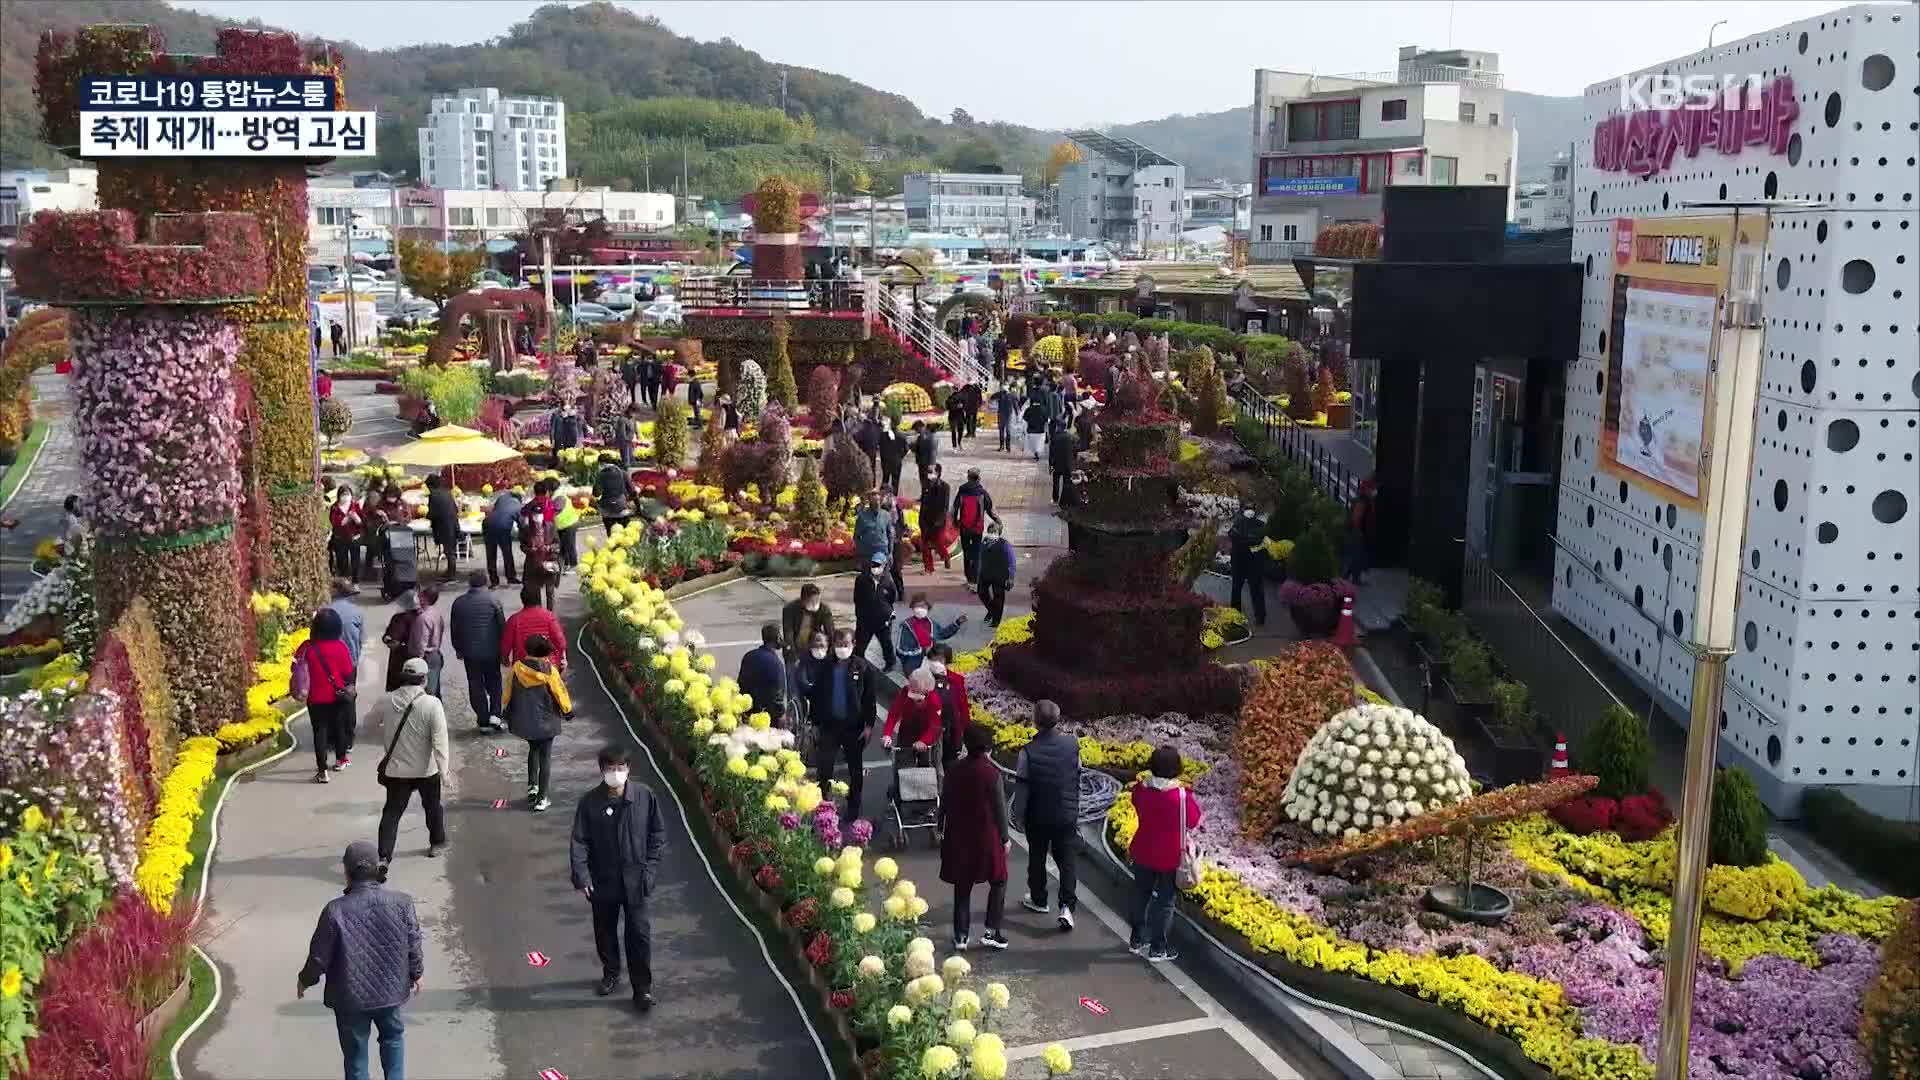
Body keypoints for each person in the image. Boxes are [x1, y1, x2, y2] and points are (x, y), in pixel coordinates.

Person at [297, 840, 422, 1080]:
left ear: (346, 873)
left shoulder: (334, 911)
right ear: (378, 869)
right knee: (393, 1039)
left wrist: (305, 980)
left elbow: (319, 957)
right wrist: (417, 973)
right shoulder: (402, 903)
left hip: (349, 999)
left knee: (355, 1060)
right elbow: (413, 942)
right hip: (390, 993)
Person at [569, 745, 668, 1012]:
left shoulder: (644, 797)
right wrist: (582, 876)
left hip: (636, 880)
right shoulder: (590, 803)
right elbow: (580, 842)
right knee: (605, 930)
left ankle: (642, 990)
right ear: (602, 771)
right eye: (610, 769)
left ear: (629, 770)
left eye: (620, 768)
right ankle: (611, 972)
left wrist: (650, 871)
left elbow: (657, 836)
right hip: (603, 880)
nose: (616, 774)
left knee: (639, 935)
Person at [940, 724, 1010, 952]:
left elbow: (945, 801)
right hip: (986, 838)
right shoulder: (992, 774)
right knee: (998, 880)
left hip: (959, 836)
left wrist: (941, 827)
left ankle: (961, 936)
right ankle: (992, 931)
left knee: (962, 886)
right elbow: (1000, 810)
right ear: (988, 749)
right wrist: (1005, 837)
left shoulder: (953, 770)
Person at [1127, 744, 1201, 962]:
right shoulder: (1180, 796)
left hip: (1142, 850)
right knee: (1165, 902)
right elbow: (1194, 820)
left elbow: (1136, 804)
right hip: (1170, 857)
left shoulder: (1141, 789)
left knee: (1141, 894)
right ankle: (1158, 948)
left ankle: (1137, 939)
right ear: (1176, 767)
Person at [376, 657, 450, 865]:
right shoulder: (432, 704)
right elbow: (440, 741)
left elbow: (371, 724)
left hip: (397, 770)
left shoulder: (386, 700)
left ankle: (383, 855)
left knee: (391, 812)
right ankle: (437, 842)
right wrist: (444, 771)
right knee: (432, 807)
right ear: (424, 679)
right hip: (426, 770)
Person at [1015, 699, 1081, 932]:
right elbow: (1076, 775)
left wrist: (1018, 816)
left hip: (1038, 815)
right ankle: (1066, 907)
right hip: (1066, 813)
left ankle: (1039, 898)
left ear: (1035, 721)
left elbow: (1022, 787)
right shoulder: (1073, 745)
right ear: (1058, 719)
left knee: (1037, 856)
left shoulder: (1027, 752)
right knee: (1067, 860)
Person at [798, 628, 877, 820]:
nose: (842, 649)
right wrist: (815, 724)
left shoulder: (863, 668)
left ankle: (854, 806)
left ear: (853, 645)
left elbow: (869, 699)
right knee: (825, 767)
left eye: (846, 645)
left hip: (854, 727)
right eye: (839, 645)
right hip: (829, 726)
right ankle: (825, 803)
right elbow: (817, 696)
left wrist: (869, 726)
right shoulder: (825, 666)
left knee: (854, 769)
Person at [505, 633, 573, 810]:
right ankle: (542, 798)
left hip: (525, 720)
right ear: (545, 653)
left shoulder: (517, 668)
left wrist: (505, 709)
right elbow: (560, 692)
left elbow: (507, 691)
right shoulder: (550, 671)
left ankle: (532, 787)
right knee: (546, 756)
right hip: (547, 721)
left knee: (533, 749)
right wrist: (567, 710)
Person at [297, 607, 358, 784]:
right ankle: (341, 759)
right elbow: (348, 671)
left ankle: (322, 771)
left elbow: (296, 666)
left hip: (315, 698)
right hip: (337, 695)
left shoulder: (307, 647)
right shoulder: (340, 647)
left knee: (319, 732)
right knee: (339, 727)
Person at [450, 571, 507, 730]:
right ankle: (495, 714)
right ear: (486, 583)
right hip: (491, 651)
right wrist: (503, 650)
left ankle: (483, 719)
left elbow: (455, 629)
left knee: (475, 685)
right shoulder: (493, 601)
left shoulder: (459, 603)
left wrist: (458, 648)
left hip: (470, 652)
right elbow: (502, 626)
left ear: (470, 584)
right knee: (495, 682)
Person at [880, 666, 942, 801]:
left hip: (926, 738)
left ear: (926, 690)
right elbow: (894, 713)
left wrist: (924, 741)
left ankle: (927, 799)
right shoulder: (905, 692)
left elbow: (935, 726)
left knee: (927, 768)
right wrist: (887, 734)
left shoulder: (934, 700)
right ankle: (900, 795)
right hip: (907, 734)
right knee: (901, 766)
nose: (911, 693)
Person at [951, 468, 1002, 591]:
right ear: (978, 479)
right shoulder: (982, 493)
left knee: (967, 554)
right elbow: (990, 510)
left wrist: (955, 522)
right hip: (977, 529)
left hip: (964, 528)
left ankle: (969, 580)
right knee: (977, 554)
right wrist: (998, 521)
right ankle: (976, 581)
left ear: (968, 478)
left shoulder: (962, 491)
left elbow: (954, 509)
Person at [502, 583, 568, 673]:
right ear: (539, 599)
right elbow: (560, 641)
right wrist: (563, 658)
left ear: (523, 600)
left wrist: (505, 660)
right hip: (547, 666)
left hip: (522, 668)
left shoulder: (514, 620)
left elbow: (506, 645)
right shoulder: (549, 617)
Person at [895, 593, 964, 678]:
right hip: (914, 662)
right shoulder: (906, 625)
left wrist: (957, 623)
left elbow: (942, 634)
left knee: (944, 665)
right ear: (912, 608)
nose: (920, 609)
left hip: (930, 657)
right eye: (917, 606)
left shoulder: (931, 623)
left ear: (928, 608)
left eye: (923, 606)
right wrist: (922, 651)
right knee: (921, 680)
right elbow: (900, 650)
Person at [925, 643, 971, 767]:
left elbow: (963, 707)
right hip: (928, 730)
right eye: (934, 659)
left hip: (950, 730)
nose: (937, 663)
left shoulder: (956, 680)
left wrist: (966, 732)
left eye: (940, 660)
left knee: (948, 764)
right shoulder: (923, 678)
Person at [852, 552, 899, 671]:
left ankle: (890, 663)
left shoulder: (888, 581)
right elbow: (857, 598)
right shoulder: (861, 580)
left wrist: (885, 611)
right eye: (874, 564)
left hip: (883, 620)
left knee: (886, 643)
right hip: (865, 620)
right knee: (860, 646)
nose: (876, 567)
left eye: (879, 565)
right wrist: (861, 614)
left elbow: (892, 598)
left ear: (884, 566)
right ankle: (857, 665)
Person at [736, 623, 787, 727]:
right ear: (777, 639)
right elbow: (778, 695)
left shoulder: (749, 656)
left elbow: (741, 683)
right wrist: (781, 715)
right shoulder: (776, 663)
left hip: (747, 711)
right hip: (767, 717)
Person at [1228, 504, 1269, 628]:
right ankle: (1260, 617)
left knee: (1236, 589)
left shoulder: (1236, 526)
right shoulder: (1261, 526)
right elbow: (1262, 542)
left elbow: (1233, 538)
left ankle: (1236, 616)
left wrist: (1243, 542)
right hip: (1254, 563)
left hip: (1239, 562)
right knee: (1256, 590)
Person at [407, 586, 447, 699]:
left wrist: (418, 661)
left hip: (425, 658)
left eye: (420, 596)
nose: (418, 598)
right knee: (435, 690)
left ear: (424, 598)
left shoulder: (423, 618)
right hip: (436, 655)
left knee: (427, 694)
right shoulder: (436, 613)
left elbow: (421, 643)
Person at [780, 583, 834, 666]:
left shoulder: (824, 609)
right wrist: (794, 656)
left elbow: (830, 632)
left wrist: (830, 653)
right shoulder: (790, 609)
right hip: (794, 648)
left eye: (817, 600)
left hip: (813, 649)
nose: (815, 603)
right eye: (812, 601)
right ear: (803, 600)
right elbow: (788, 634)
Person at [976, 523, 1016, 627]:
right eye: (990, 532)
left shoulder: (1004, 544)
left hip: (1000, 574)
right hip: (985, 573)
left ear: (998, 533)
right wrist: (978, 572)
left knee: (998, 596)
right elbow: (980, 557)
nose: (992, 534)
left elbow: (1012, 561)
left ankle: (996, 619)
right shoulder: (984, 542)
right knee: (981, 592)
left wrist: (1011, 577)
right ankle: (992, 610)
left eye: (994, 532)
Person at [482, 486, 522, 587]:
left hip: (487, 524)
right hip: (502, 527)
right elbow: (521, 523)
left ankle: (494, 581)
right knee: (507, 553)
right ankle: (511, 577)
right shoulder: (518, 506)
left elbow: (495, 510)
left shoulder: (502, 498)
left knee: (491, 554)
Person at [917, 463, 953, 574]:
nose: (928, 474)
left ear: (938, 473)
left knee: (939, 543)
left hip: (938, 521)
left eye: (931, 472)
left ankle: (945, 556)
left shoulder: (945, 487)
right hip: (925, 520)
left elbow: (945, 507)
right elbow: (923, 502)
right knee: (925, 545)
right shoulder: (925, 485)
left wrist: (938, 521)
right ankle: (928, 568)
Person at [381, 591, 419, 693]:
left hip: (400, 659)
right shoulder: (421, 616)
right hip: (419, 657)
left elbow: (393, 641)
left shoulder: (399, 619)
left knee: (398, 690)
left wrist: (386, 640)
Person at [425, 475, 460, 579]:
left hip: (444, 525)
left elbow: (433, 513)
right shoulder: (447, 492)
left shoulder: (433, 495)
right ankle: (451, 571)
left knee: (449, 550)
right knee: (451, 549)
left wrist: (427, 516)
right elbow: (455, 509)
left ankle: (451, 574)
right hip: (453, 522)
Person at [329, 577, 366, 673]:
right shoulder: (357, 611)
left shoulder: (325, 611)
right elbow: (361, 640)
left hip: (329, 661)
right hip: (351, 661)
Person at [852, 488, 894, 572]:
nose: (877, 503)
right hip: (867, 556)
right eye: (874, 500)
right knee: (869, 581)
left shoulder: (886, 516)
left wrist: (890, 553)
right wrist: (860, 553)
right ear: (869, 501)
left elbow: (890, 535)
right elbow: (856, 536)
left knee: (882, 580)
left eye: (878, 500)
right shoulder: (862, 516)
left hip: (882, 554)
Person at [329, 486, 364, 582]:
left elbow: (362, 522)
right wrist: (345, 520)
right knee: (342, 561)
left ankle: (355, 581)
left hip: (354, 538)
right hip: (340, 539)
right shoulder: (335, 507)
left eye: (347, 494)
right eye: (343, 494)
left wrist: (356, 519)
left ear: (351, 495)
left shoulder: (355, 506)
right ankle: (344, 581)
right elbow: (334, 523)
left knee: (355, 561)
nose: (346, 497)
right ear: (339, 496)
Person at [1345, 479, 1376, 584]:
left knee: (1355, 556)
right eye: (1371, 489)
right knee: (1356, 556)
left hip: (1356, 531)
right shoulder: (1362, 501)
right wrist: (1359, 532)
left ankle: (1348, 577)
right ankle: (1352, 579)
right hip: (1357, 532)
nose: (1373, 491)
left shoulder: (1363, 500)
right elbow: (1356, 517)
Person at [596, 452, 634, 533]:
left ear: (601, 463)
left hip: (607, 511)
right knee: (627, 535)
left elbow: (596, 493)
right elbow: (633, 491)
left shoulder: (600, 475)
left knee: (611, 536)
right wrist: (633, 504)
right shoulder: (623, 473)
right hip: (622, 508)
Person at [553, 483, 582, 572]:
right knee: (564, 545)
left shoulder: (559, 496)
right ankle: (566, 564)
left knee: (569, 545)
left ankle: (573, 565)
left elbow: (556, 510)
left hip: (569, 524)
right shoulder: (558, 494)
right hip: (563, 524)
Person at [876, 417, 909, 495]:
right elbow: (906, 449)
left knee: (885, 479)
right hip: (897, 462)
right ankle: (894, 498)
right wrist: (900, 457)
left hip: (886, 461)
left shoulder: (883, 435)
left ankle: (882, 497)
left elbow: (879, 446)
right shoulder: (902, 436)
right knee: (895, 481)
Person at [1048, 420, 1077, 504]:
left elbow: (1051, 453)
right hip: (1068, 463)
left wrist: (1050, 465)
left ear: (1058, 427)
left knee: (1056, 482)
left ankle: (1055, 498)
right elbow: (1074, 450)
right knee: (1066, 482)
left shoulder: (1054, 437)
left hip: (1057, 464)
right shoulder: (1070, 437)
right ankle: (1064, 500)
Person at [911, 420, 939, 494]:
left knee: (924, 481)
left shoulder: (923, 436)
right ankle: (927, 496)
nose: (916, 431)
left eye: (916, 429)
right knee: (928, 480)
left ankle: (925, 497)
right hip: (930, 461)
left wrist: (912, 444)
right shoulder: (932, 435)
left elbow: (917, 448)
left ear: (920, 427)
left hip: (923, 462)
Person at [991, 383, 1018, 452]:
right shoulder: (1000, 394)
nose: (1003, 388)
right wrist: (1000, 392)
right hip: (1001, 414)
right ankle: (1002, 446)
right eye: (1002, 387)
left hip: (1008, 415)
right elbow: (992, 397)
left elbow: (1015, 405)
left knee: (1008, 431)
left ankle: (1008, 447)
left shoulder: (1012, 395)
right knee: (1001, 431)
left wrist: (1017, 414)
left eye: (1004, 387)